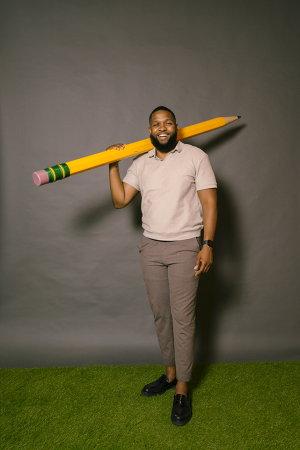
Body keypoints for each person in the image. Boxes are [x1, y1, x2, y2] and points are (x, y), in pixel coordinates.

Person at [107, 106, 217, 426]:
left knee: (183, 318)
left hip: (185, 247)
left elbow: (209, 202)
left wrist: (207, 245)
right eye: (156, 124)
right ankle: (170, 374)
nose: (162, 127)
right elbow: (119, 200)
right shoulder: (141, 162)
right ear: (150, 130)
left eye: (167, 122)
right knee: (161, 314)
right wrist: (111, 164)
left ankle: (182, 389)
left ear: (177, 127)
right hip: (150, 247)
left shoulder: (196, 156)